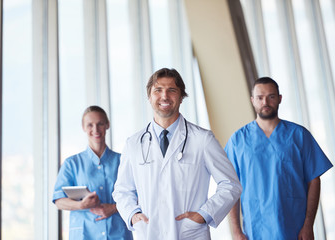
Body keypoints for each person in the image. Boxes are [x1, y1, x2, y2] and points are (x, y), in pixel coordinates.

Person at [112, 68, 242, 240]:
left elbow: (231, 184)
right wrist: (133, 215)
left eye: (172, 90)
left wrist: (204, 214)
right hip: (149, 232)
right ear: (149, 97)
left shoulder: (203, 139)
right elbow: (122, 190)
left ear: (181, 97)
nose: (164, 96)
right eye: (158, 90)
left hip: (190, 234)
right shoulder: (134, 144)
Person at [225, 77, 333, 240]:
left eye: (271, 96)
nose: (265, 102)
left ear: (280, 99)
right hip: (255, 231)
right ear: (252, 100)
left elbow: (314, 180)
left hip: (294, 230)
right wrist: (236, 231)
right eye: (260, 98)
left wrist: (308, 225)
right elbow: (230, 187)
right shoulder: (238, 141)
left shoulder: (299, 136)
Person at [52, 106, 133, 240]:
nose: (95, 129)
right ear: (83, 127)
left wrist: (114, 208)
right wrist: (81, 205)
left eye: (100, 124)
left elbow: (138, 195)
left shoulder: (123, 161)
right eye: (90, 125)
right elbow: (59, 201)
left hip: (118, 233)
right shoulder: (72, 163)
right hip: (85, 234)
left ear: (107, 125)